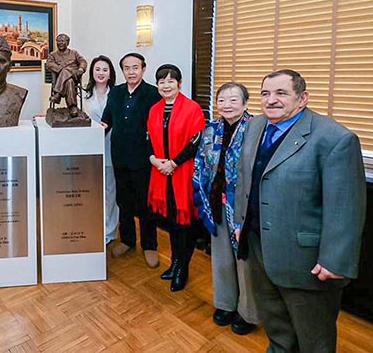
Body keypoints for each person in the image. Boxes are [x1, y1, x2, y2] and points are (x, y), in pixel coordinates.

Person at [234, 69, 366, 352]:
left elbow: (345, 206)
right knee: (277, 328)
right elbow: (245, 176)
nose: (271, 100)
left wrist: (335, 260)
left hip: (306, 261)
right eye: (265, 94)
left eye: (281, 93)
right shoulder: (255, 126)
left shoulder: (334, 139)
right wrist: (239, 221)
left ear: (302, 98)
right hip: (259, 249)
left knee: (313, 339)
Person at [192, 82, 258, 335]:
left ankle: (247, 312)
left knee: (245, 260)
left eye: (233, 100)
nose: (227, 105)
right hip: (216, 201)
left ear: (245, 103)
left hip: (242, 205)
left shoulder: (255, 129)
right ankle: (225, 304)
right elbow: (200, 161)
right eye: (222, 100)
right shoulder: (211, 130)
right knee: (221, 258)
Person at [146, 64, 204, 291]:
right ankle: (175, 263)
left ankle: (183, 268)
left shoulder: (192, 109)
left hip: (182, 174)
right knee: (171, 222)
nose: (166, 85)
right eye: (161, 81)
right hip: (161, 174)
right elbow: (149, 138)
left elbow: (195, 141)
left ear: (179, 84)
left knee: (183, 224)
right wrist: (154, 159)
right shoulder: (154, 110)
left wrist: (174, 163)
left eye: (171, 81)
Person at [101, 52, 161, 268]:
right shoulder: (115, 93)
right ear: (123, 71)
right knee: (123, 202)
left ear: (143, 69)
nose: (131, 71)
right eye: (127, 68)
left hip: (143, 158)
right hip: (119, 156)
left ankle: (150, 245)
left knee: (145, 204)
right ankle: (127, 240)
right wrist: (96, 129)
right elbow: (107, 119)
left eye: (135, 67)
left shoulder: (153, 94)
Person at [82, 55, 119, 244]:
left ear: (110, 72)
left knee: (110, 190)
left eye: (105, 69)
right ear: (92, 72)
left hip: (111, 145)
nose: (101, 73)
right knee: (91, 190)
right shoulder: (83, 94)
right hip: (89, 147)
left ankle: (110, 231)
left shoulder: (117, 93)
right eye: (97, 69)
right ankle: (92, 226)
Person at [46, 33, 87, 116]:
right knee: (69, 81)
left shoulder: (74, 53)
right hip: (64, 79)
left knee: (67, 73)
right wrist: (62, 69)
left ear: (67, 43)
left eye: (62, 41)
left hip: (74, 76)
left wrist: (81, 69)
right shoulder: (52, 55)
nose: (60, 43)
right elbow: (49, 64)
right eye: (58, 41)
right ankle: (73, 107)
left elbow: (83, 61)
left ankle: (57, 94)